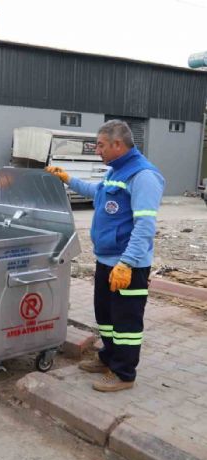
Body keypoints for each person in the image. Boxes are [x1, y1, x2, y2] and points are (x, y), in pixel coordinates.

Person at [46, 120, 164, 392]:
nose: (97, 150)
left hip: (128, 266)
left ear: (117, 144)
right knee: (107, 318)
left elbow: (145, 226)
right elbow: (97, 193)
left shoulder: (143, 176)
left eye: (100, 145)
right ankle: (108, 358)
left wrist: (126, 263)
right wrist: (68, 179)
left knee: (126, 323)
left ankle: (123, 374)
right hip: (107, 261)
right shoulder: (116, 172)